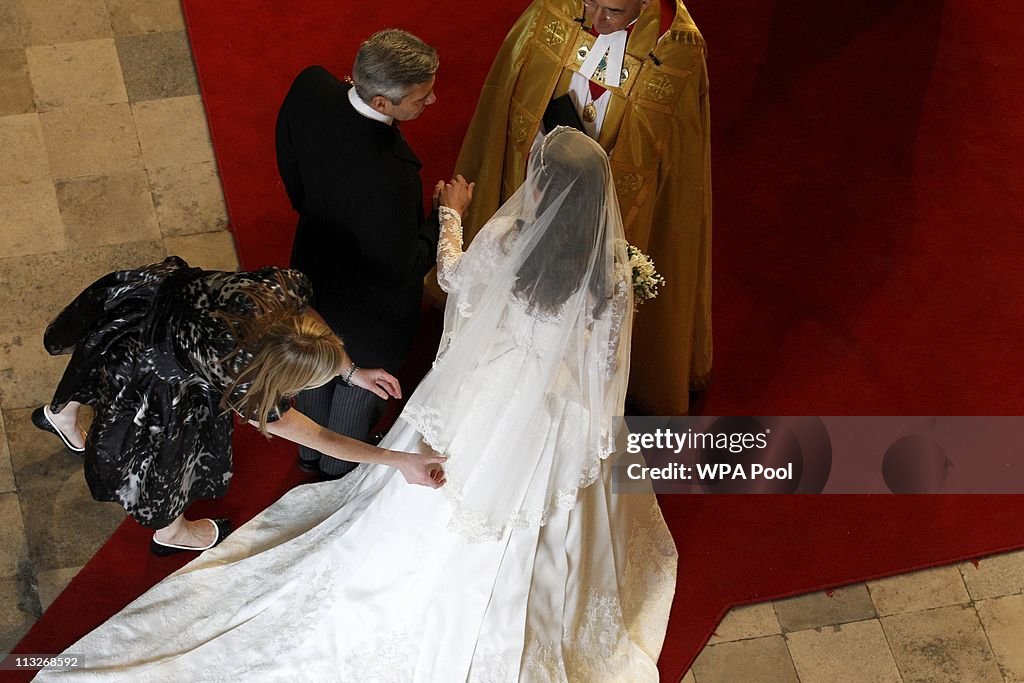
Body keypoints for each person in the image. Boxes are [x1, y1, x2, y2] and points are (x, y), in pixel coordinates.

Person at [36, 129, 677, 681]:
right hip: (542, 411)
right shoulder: (612, 273)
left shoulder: (510, 240)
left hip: (480, 388)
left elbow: (455, 282)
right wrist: (591, 436)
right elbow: (598, 367)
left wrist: (450, 215)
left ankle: (74, 419)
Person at [31, 256, 446, 555]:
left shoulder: (280, 291)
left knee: (99, 352)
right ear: (277, 380)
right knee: (168, 455)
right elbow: (320, 437)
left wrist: (349, 370)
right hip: (160, 367)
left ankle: (62, 414)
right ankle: (172, 531)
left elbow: (307, 324)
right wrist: (399, 459)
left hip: (147, 300)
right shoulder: (243, 380)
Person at [451, 0, 712, 416]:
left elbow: (675, 158)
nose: (593, 21)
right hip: (541, 162)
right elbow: (515, 84)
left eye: (610, 11)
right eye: (589, 4)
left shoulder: (678, 47)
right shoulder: (559, 6)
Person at [276, 29, 443, 478]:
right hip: (371, 310)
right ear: (383, 103)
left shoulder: (312, 85)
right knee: (359, 385)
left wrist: (312, 208)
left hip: (313, 269)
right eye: (420, 96)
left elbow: (287, 156)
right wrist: (445, 217)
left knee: (315, 358)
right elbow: (402, 267)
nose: (431, 102)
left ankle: (308, 453)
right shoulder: (390, 175)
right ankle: (334, 467)